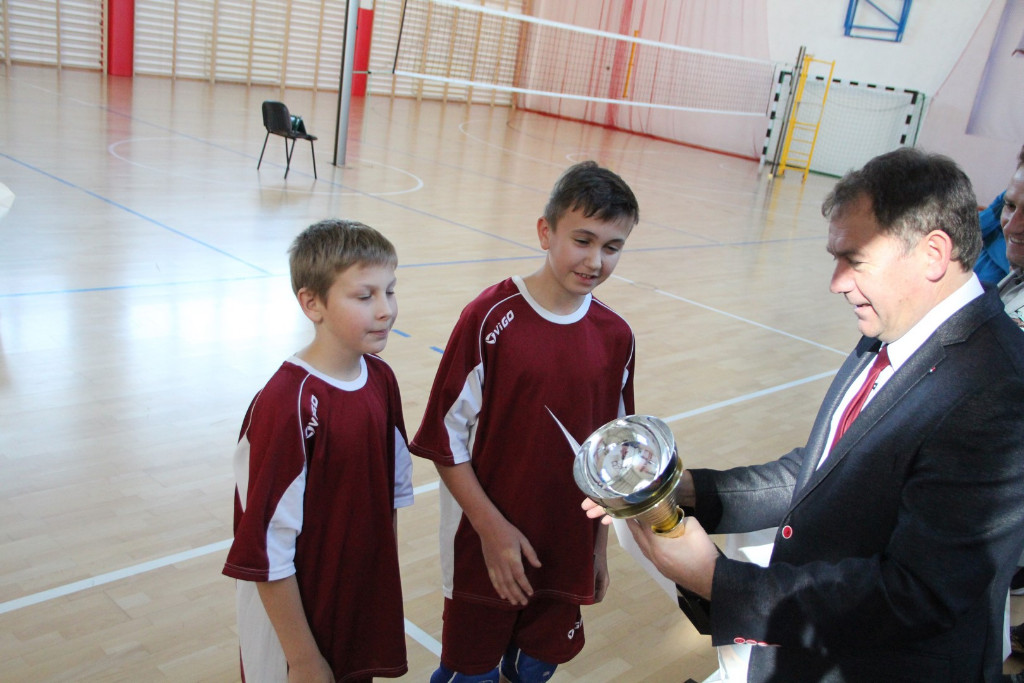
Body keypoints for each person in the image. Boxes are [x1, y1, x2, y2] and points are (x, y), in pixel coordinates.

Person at [586, 148, 1024, 681]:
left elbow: (915, 596)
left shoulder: (997, 391)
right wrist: (688, 491)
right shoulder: (896, 325)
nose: (836, 281)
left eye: (854, 260)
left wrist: (718, 581)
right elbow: (821, 471)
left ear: (933, 253)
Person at [410, 161, 639, 683]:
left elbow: (609, 459)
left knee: (533, 671)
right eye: (582, 240)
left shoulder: (616, 336)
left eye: (613, 246)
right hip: (485, 551)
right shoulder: (490, 318)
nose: (595, 260)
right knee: (469, 673)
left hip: (566, 552)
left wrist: (597, 548)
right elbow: (444, 441)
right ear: (545, 232)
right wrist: (492, 533)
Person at [222, 219, 414, 682]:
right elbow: (266, 550)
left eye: (390, 291)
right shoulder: (288, 404)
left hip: (354, 608)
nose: (385, 310)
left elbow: (387, 503)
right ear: (312, 303)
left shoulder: (381, 379)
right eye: (364, 296)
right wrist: (304, 659)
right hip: (293, 632)